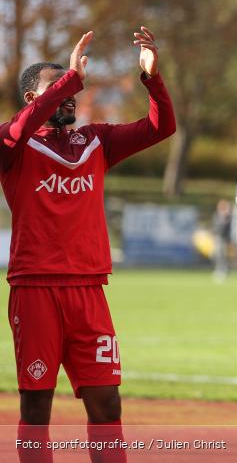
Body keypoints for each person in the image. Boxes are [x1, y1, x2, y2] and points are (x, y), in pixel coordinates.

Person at [3, 28, 175, 462]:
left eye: (73, 89)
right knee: (36, 406)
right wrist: (71, 77)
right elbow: (14, 133)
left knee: (106, 403)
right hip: (35, 289)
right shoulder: (13, 145)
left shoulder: (96, 140)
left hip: (89, 290)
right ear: (31, 98)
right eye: (57, 88)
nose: (69, 95)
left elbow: (162, 127)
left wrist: (152, 80)